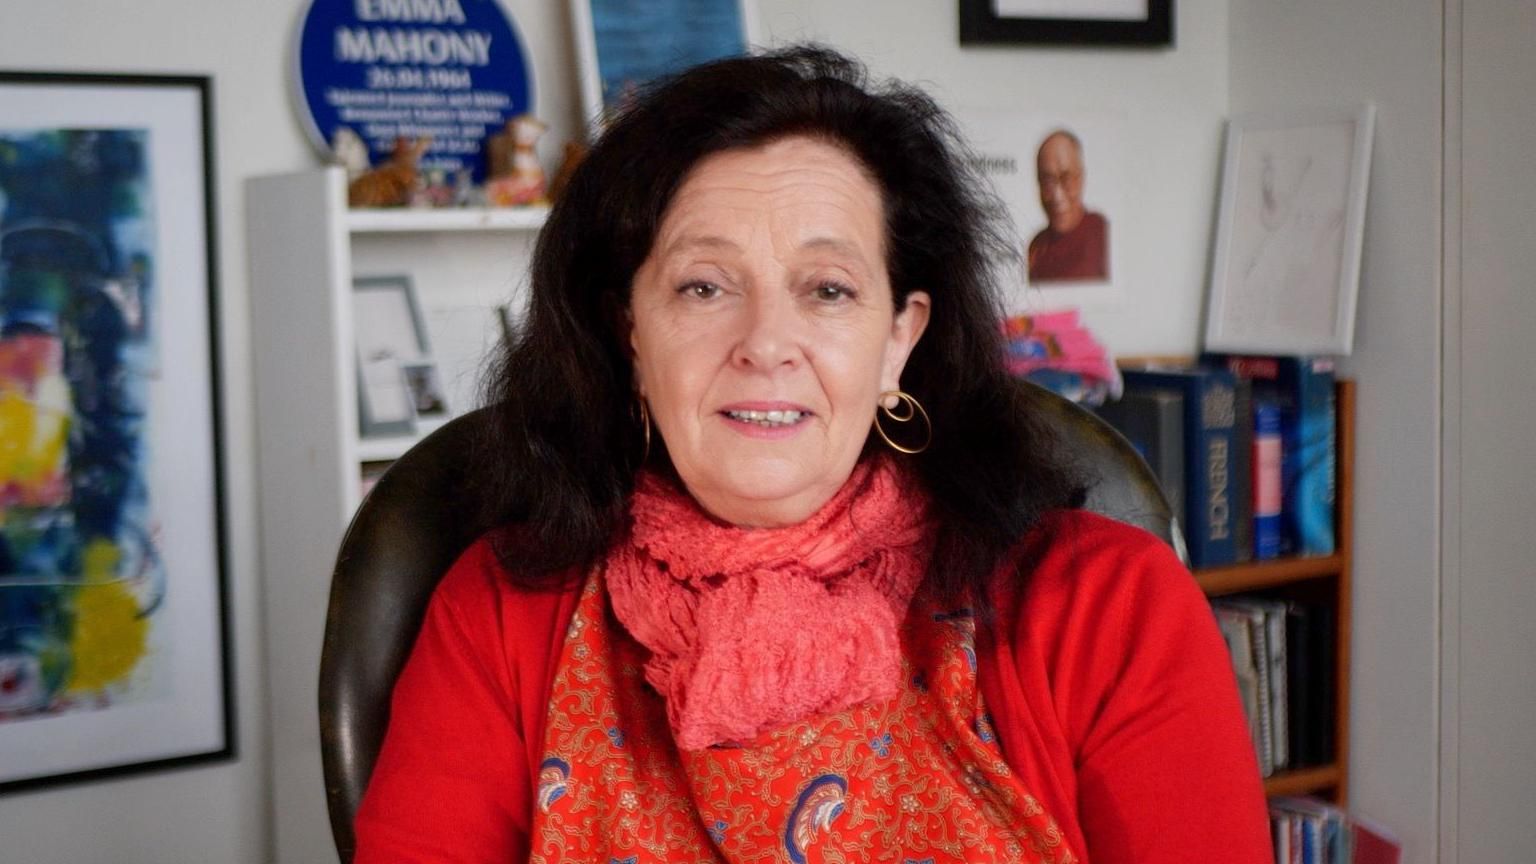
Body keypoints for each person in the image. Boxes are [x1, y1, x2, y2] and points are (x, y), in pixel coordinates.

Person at [354, 46, 1269, 864]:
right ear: (629, 331)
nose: (765, 343)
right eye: (704, 286)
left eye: (827, 289)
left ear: (898, 340)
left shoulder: (1110, 610)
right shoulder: (500, 615)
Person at [1027, 130, 1110, 283]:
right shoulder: (1037, 248)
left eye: (1066, 178)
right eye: (1047, 181)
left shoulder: (1100, 233)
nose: (1057, 196)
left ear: (1081, 178)